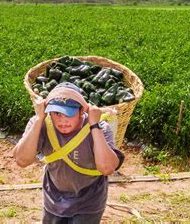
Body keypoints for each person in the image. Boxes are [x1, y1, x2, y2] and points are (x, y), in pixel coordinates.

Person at [13, 82, 125, 223]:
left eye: (69, 113)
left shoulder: (100, 127)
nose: (62, 121)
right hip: (53, 198)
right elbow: (22, 160)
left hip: (89, 201)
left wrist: (94, 126)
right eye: (57, 113)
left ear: (81, 111)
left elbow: (107, 168)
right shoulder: (41, 123)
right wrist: (38, 120)